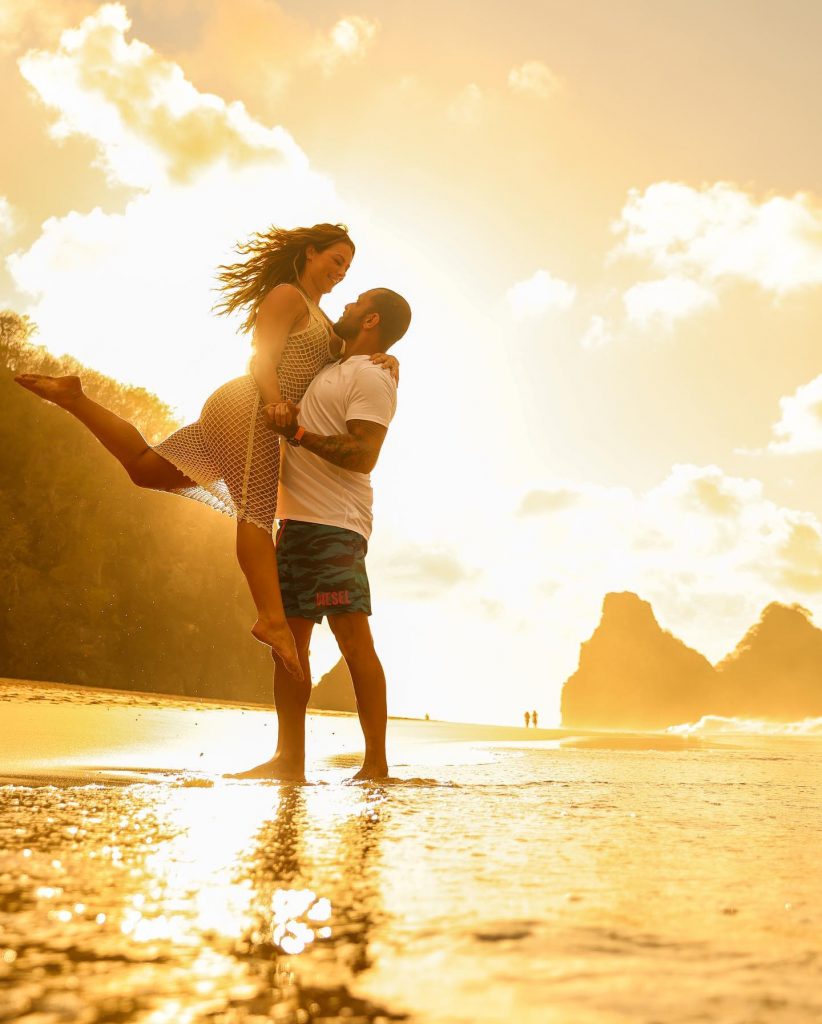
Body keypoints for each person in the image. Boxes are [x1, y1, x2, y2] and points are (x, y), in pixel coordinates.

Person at [14, 223, 397, 679]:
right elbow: (262, 357)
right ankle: (273, 621)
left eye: (348, 268)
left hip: (247, 412)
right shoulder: (286, 296)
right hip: (252, 408)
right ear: (310, 253)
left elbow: (347, 356)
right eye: (336, 260)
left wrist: (390, 358)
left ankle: (75, 398)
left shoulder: (324, 319)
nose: (341, 273)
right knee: (256, 513)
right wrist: (274, 400)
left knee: (146, 468)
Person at [231, 286, 412, 782]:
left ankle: (375, 764)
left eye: (355, 302)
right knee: (289, 646)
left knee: (353, 642)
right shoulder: (334, 364)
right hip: (295, 523)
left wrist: (299, 435)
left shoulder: (374, 375)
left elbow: (364, 453)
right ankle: (289, 760)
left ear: (371, 318)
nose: (345, 307)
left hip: (337, 526)